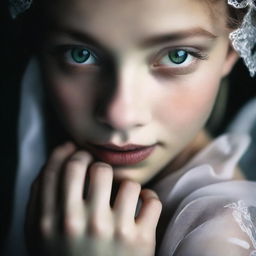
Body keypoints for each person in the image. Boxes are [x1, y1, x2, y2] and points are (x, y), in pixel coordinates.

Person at [2, 0, 256, 255]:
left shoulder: (221, 241)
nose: (120, 116)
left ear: (231, 52)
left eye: (177, 56)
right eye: (79, 54)